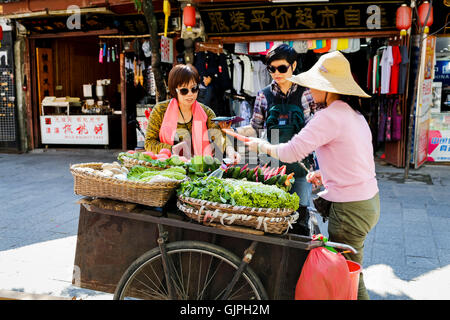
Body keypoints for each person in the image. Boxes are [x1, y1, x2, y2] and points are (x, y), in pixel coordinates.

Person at [245, 51, 380, 300]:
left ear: (329, 88)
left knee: (347, 273)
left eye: (316, 86)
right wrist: (323, 173)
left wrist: (259, 145)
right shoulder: (353, 114)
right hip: (368, 202)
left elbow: (291, 151)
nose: (311, 91)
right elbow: (354, 159)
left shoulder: (328, 116)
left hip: (350, 209)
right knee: (349, 268)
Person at [236, 44, 315, 231]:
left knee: (300, 217)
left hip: (301, 166)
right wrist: (233, 132)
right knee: (273, 217)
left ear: (293, 66)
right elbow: (256, 128)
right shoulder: (263, 96)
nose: (276, 73)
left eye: (282, 68)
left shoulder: (306, 93)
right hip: (272, 168)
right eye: (272, 69)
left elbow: (314, 130)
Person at [145, 64, 240, 163]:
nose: (190, 94)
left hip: (199, 168)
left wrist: (231, 151)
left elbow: (218, 137)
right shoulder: (160, 110)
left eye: (194, 89)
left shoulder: (206, 112)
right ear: (174, 90)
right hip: (168, 168)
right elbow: (149, 143)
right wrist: (172, 149)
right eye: (184, 90)